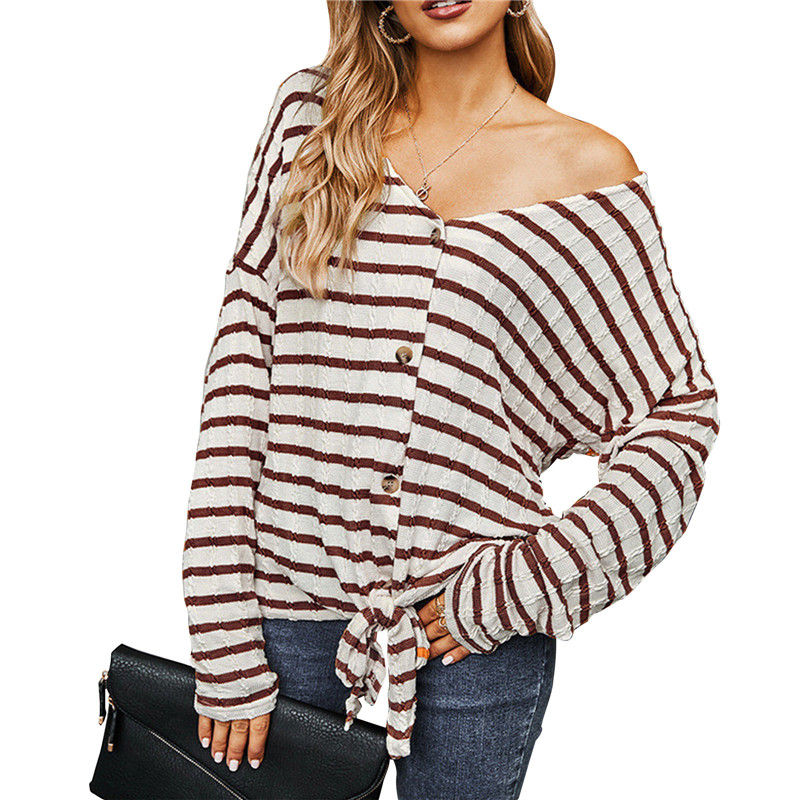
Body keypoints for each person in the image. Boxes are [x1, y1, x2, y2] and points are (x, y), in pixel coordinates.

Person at [181, 2, 720, 798]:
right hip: (286, 610)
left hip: (473, 637)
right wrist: (220, 626)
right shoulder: (311, 120)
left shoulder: (588, 171)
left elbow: (680, 413)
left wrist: (526, 583)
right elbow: (238, 369)